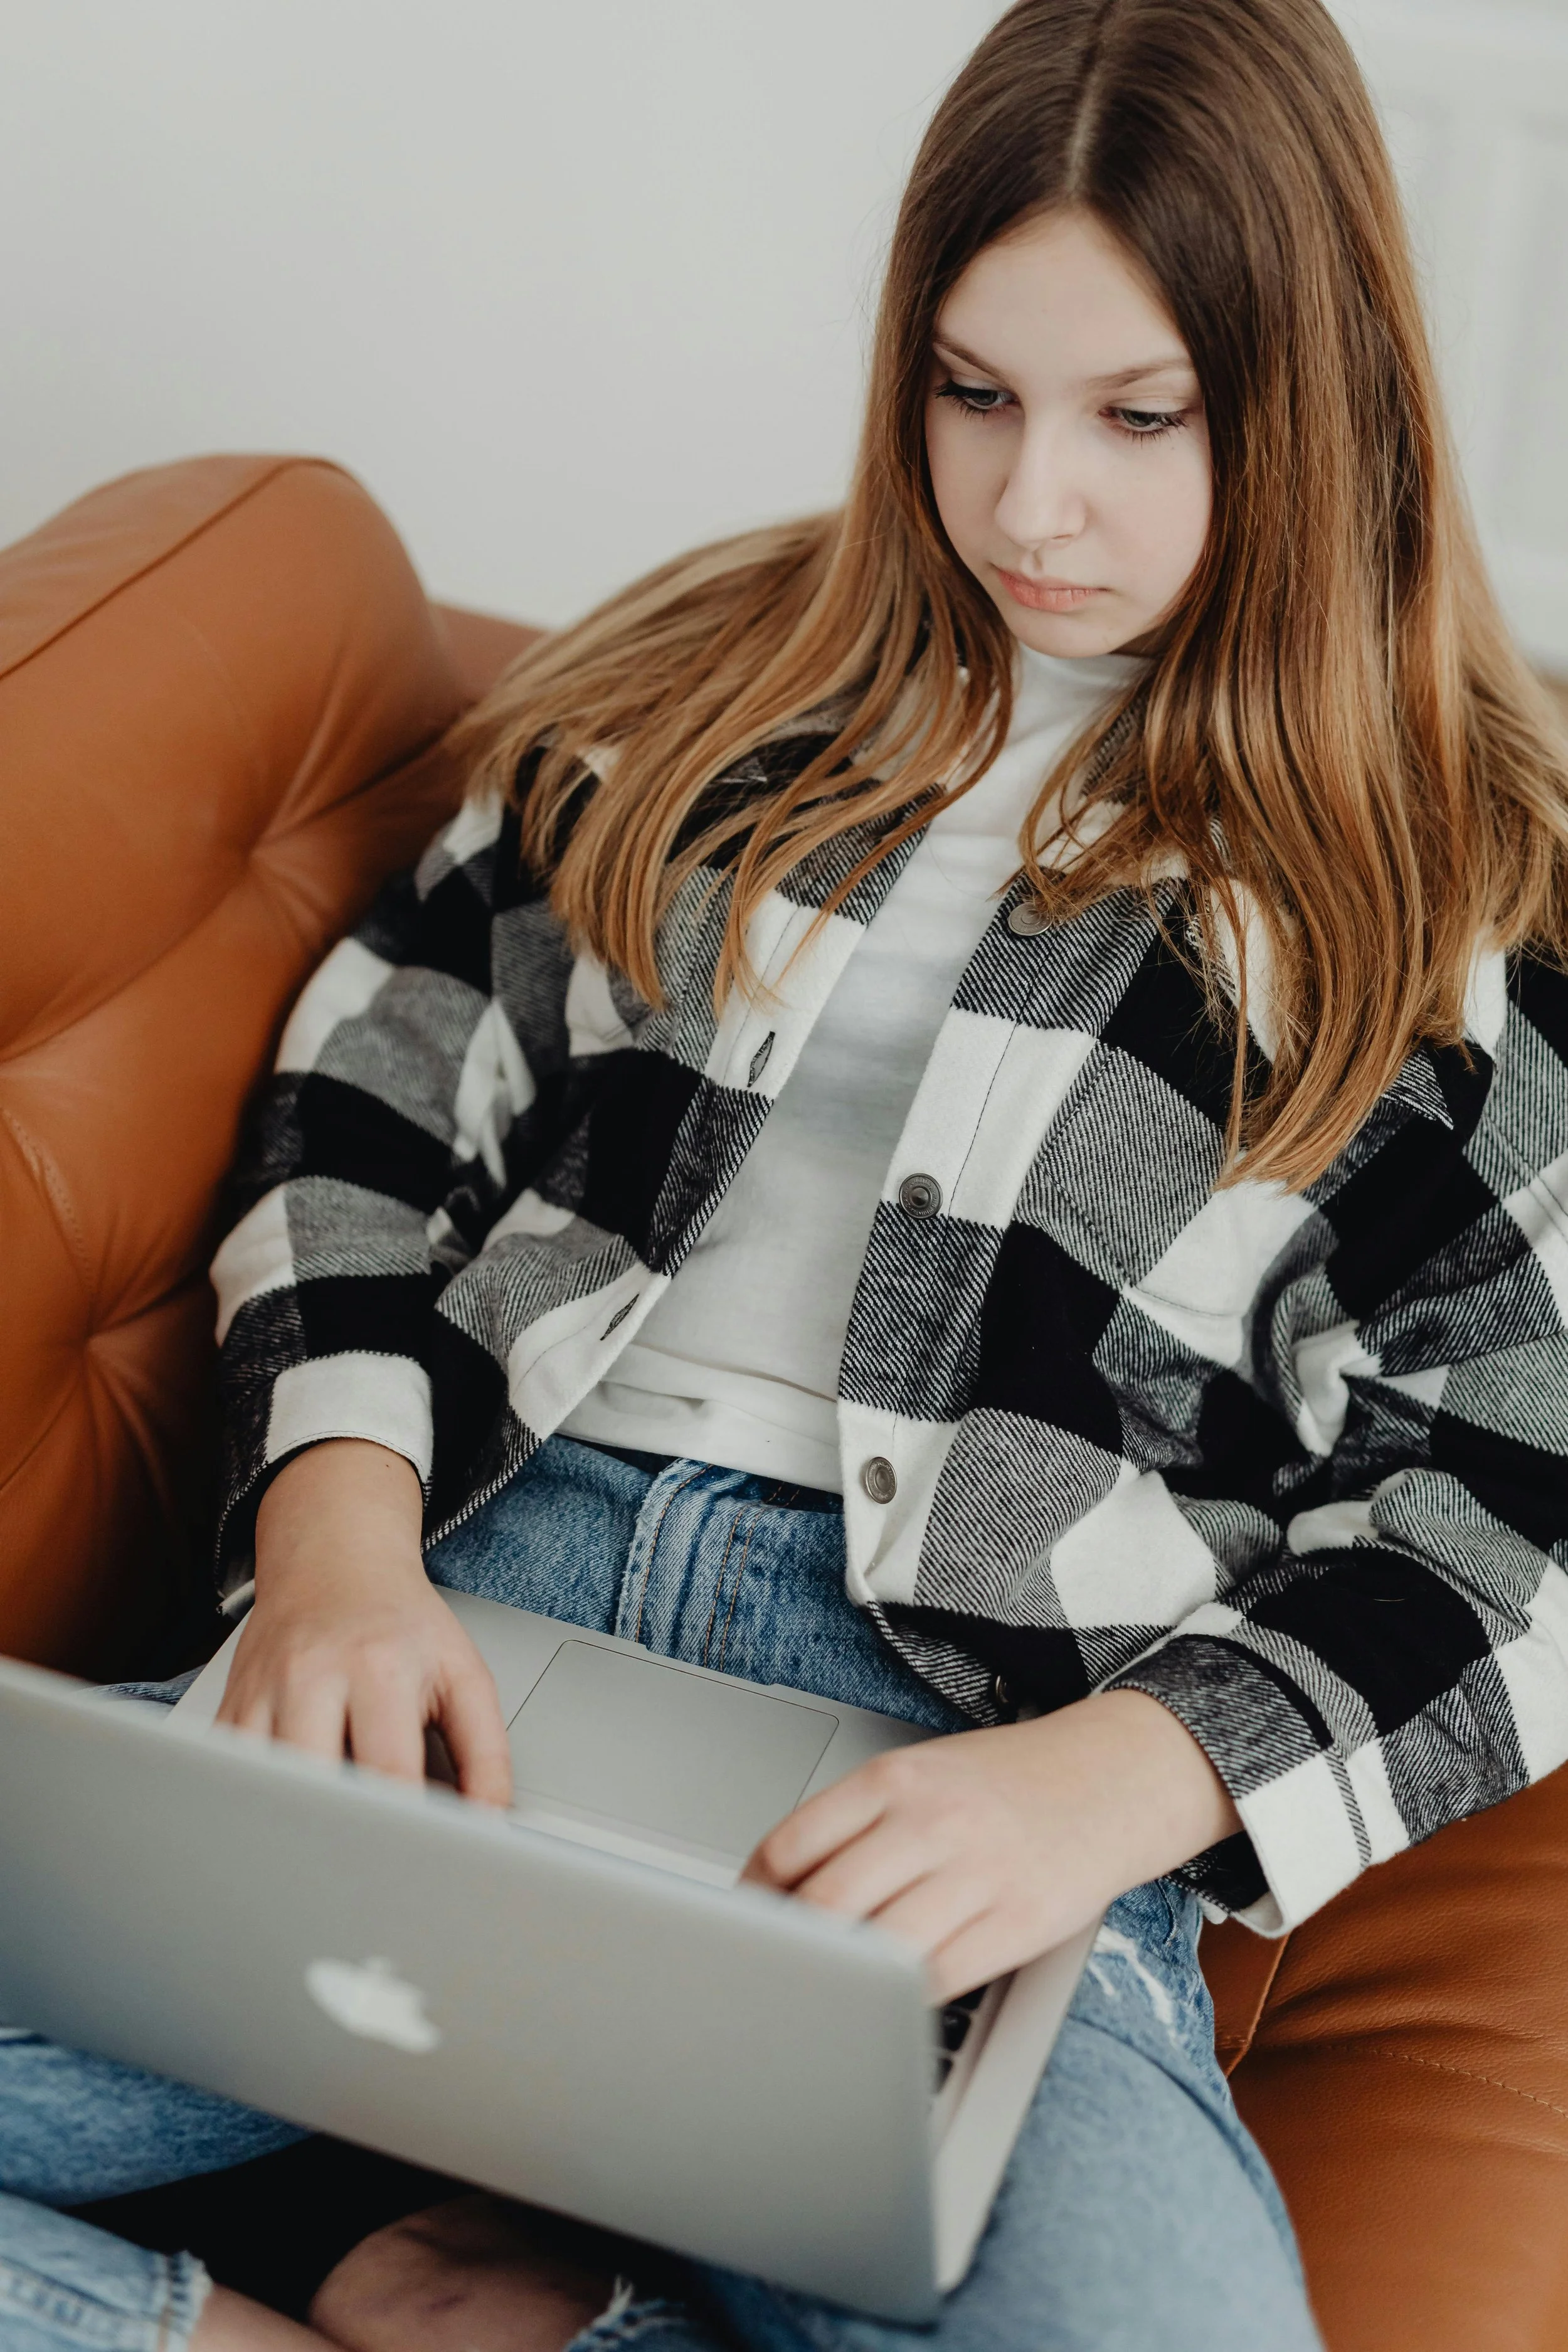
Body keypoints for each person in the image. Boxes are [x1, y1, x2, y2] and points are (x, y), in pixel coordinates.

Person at [7, 0, 1568, 2345]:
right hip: (454, 1620)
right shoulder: (696, 692)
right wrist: (329, 1538)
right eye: (973, 390)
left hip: (975, 1750)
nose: (1037, 500)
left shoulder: (1461, 883)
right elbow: (373, 1094)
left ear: (1319, 393)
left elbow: (1514, 1472)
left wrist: (1107, 1793)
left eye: (1140, 416)